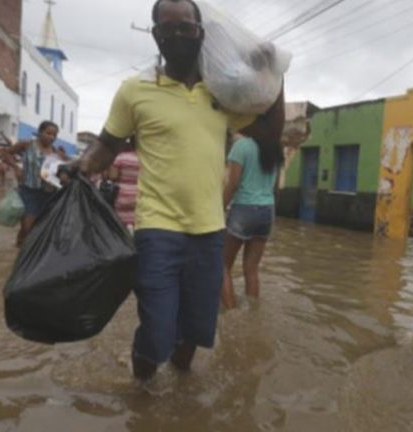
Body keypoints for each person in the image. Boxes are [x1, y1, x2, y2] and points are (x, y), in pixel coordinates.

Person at [74, 0, 284, 382]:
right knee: (156, 332)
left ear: (200, 32)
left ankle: (179, 396)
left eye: (185, 28)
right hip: (157, 229)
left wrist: (274, 74)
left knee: (196, 334)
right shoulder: (135, 91)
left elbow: (270, 131)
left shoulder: (222, 95)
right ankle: (142, 395)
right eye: (166, 29)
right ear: (155, 35)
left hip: (208, 232)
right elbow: (107, 143)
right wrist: (83, 165)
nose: (176, 36)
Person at [221, 133, 283, 309]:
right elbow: (276, 187)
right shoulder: (274, 148)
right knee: (252, 268)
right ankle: (252, 315)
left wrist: (219, 209)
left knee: (222, 265)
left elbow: (232, 183)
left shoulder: (242, 146)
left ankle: (231, 312)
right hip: (267, 210)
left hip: (244, 208)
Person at [0, 121, 69, 246]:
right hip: (29, 191)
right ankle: (20, 250)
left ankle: (26, 250)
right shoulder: (26, 145)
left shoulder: (55, 153)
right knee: (28, 227)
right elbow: (6, 154)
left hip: (48, 194)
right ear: (40, 132)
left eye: (54, 135)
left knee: (41, 228)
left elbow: (66, 166)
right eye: (48, 133)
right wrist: (16, 167)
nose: (51, 137)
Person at [108, 140, 140, 233]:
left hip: (121, 195)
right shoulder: (144, 159)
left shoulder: (120, 158)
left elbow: (113, 177)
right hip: (139, 195)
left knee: (120, 227)